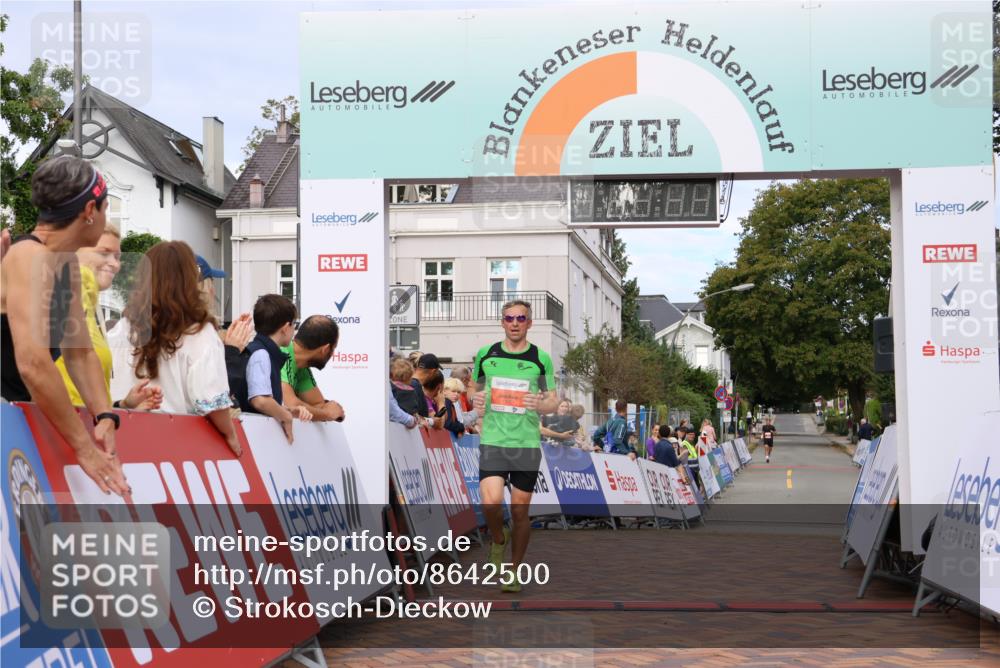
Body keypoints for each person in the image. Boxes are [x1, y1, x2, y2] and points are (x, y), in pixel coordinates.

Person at [1, 156, 127, 495]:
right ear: (90, 210)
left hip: (15, 416)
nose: (107, 217)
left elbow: (79, 352)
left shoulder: (63, 263)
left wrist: (105, 415)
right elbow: (33, 364)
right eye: (105, 208)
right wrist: (84, 448)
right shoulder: (29, 257)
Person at [109, 241, 242, 458]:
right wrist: (230, 433)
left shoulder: (122, 328)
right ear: (188, 280)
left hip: (123, 440)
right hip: (175, 448)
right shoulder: (199, 333)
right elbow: (211, 400)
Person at [472, 300, 558, 593]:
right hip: (494, 440)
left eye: (521, 318)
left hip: (525, 444)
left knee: (520, 511)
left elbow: (553, 399)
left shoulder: (541, 358)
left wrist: (542, 402)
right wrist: (477, 399)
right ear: (502, 322)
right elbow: (476, 390)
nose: (515, 322)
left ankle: (514, 570)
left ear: (529, 323)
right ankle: (498, 538)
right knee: (491, 502)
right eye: (509, 318)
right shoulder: (486, 355)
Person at [53, 222, 162, 412]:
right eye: (104, 253)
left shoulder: (88, 303)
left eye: (118, 257)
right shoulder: (66, 293)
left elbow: (79, 393)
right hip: (64, 431)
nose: (115, 264)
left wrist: (123, 405)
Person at [240, 294, 312, 442]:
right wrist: (286, 417)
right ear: (286, 328)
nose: (294, 330)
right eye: (294, 324)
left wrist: (289, 411)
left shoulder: (262, 351)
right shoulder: (261, 354)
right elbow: (260, 400)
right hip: (255, 440)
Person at [280, 315, 345, 421]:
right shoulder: (283, 355)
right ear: (325, 349)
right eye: (333, 348)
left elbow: (319, 404)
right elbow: (292, 405)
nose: (333, 353)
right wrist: (327, 414)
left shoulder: (302, 366)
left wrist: (325, 411)